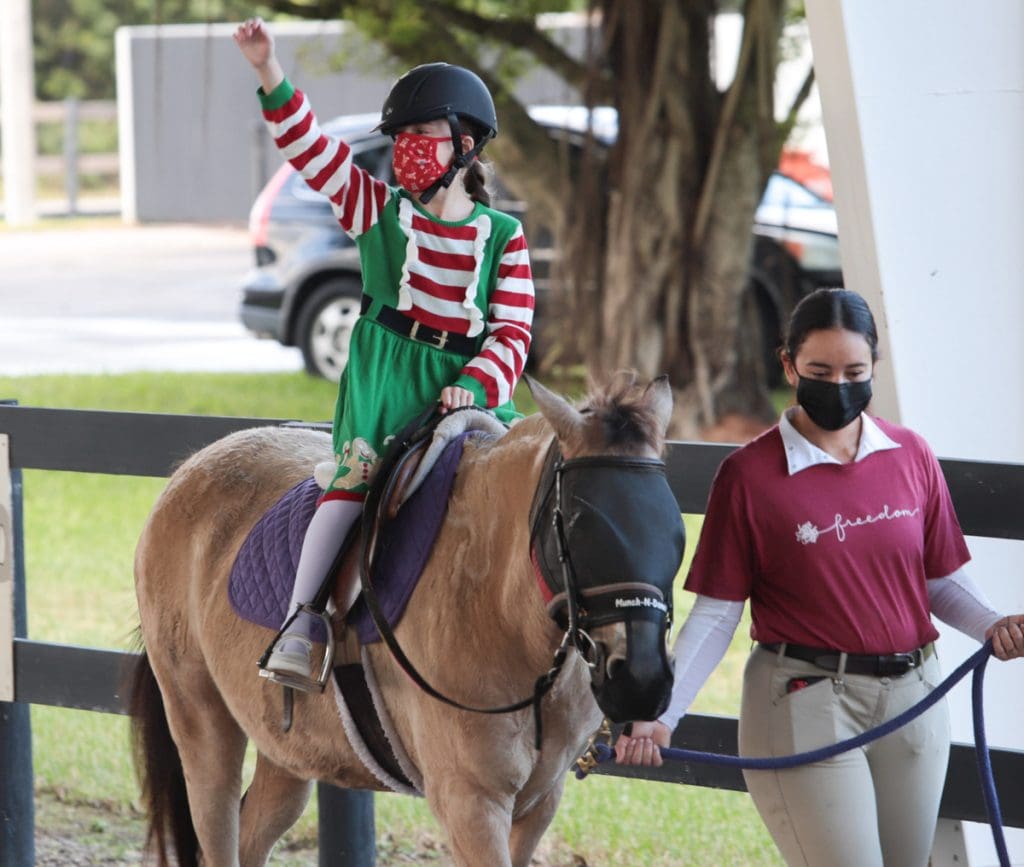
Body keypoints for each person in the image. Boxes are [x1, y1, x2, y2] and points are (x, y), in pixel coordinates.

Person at [614, 287, 1024, 866]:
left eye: (855, 372)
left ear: (874, 364)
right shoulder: (748, 475)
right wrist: (662, 714)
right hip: (806, 701)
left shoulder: (911, 455)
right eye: (820, 372)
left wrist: (992, 625)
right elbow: (718, 613)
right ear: (789, 366)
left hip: (915, 699)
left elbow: (937, 579)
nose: (839, 386)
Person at [234, 18, 535, 688]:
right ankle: (301, 623)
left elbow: (513, 331)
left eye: (421, 134)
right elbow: (311, 150)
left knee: (528, 484)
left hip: (466, 385)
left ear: (464, 144)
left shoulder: (504, 236)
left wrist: (475, 385)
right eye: (400, 137)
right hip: (386, 381)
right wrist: (267, 69)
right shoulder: (375, 208)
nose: (406, 150)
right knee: (354, 484)